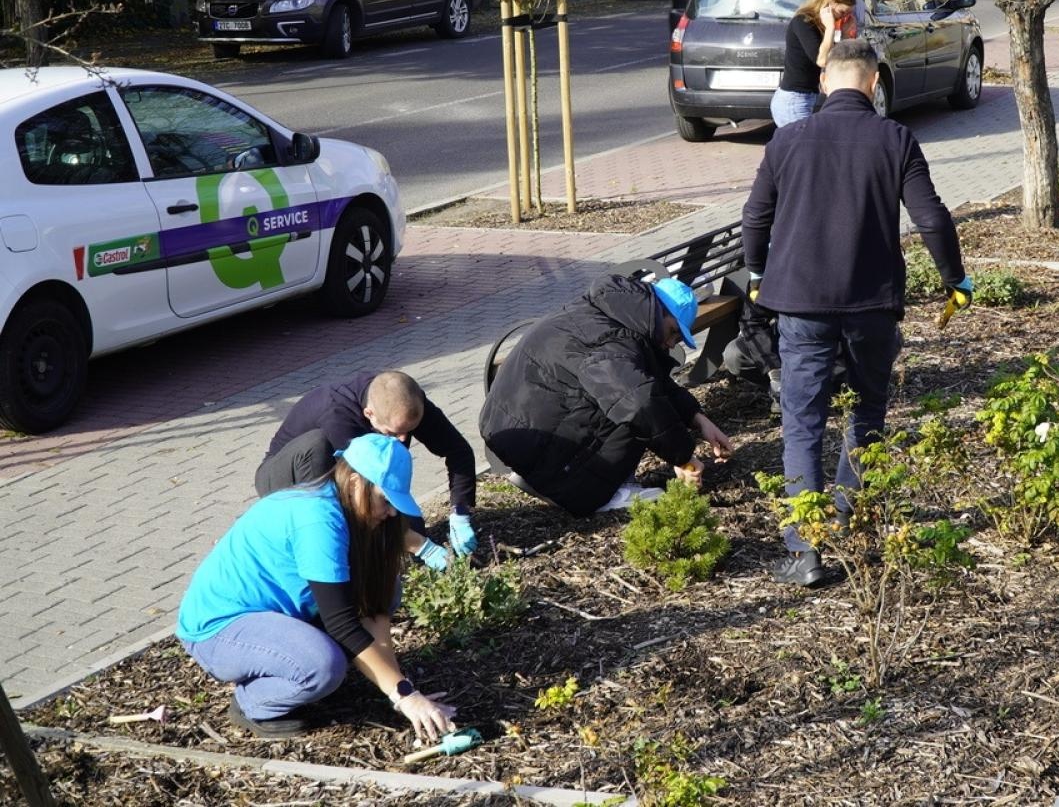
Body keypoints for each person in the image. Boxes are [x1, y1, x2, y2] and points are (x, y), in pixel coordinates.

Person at [743, 38, 972, 587]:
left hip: (800, 302)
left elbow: (755, 216)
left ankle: (806, 550)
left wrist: (756, 275)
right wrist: (954, 280)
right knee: (867, 410)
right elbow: (932, 218)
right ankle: (848, 518)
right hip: (872, 302)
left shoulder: (788, 139)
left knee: (802, 420)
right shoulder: (895, 139)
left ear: (824, 82)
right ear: (873, 82)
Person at [177, 434, 458, 742]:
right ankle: (253, 703)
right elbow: (342, 623)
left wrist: (400, 689)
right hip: (220, 628)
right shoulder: (318, 520)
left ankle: (300, 663)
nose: (392, 512)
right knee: (321, 666)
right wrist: (405, 696)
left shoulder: (355, 513)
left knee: (385, 587)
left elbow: (373, 609)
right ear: (355, 482)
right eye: (386, 500)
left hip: (277, 614)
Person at [478, 275, 734, 516]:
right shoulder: (612, 340)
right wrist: (682, 456)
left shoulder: (610, 314)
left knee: (636, 391)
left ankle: (543, 474)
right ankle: (598, 492)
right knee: (634, 406)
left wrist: (698, 418)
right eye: (673, 332)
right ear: (659, 312)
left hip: (516, 427)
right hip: (533, 442)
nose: (671, 343)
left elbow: (653, 378)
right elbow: (640, 402)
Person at [259, 371, 479, 571]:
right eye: (393, 433)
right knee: (378, 526)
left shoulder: (405, 400)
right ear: (369, 414)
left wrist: (459, 511)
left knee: (411, 529)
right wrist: (421, 546)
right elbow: (359, 492)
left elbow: (458, 451)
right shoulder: (339, 417)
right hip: (287, 479)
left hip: (345, 475)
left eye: (409, 431)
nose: (402, 439)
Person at [770, 0, 857, 127]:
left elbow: (833, 58)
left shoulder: (818, 24)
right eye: (842, 13)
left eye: (847, 15)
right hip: (794, 100)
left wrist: (844, 35)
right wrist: (830, 28)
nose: (842, 18)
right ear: (831, 2)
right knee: (806, 142)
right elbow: (822, 60)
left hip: (803, 98)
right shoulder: (803, 22)